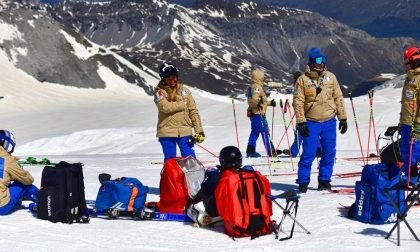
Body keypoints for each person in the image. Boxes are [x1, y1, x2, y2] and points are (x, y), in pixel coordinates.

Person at [293, 48, 347, 193]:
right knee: (309, 153)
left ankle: (324, 180)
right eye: (318, 61)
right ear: (311, 62)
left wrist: (342, 117)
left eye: (324, 60)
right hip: (311, 122)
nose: (322, 64)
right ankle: (303, 181)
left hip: (329, 121)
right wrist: (301, 121)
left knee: (329, 152)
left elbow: (338, 97)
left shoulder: (331, 77)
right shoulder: (303, 80)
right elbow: (298, 101)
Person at [154, 62, 204, 162]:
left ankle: (193, 177)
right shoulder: (159, 92)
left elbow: (193, 111)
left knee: (190, 159)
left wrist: (199, 131)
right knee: (170, 160)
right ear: (163, 79)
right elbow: (165, 107)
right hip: (167, 131)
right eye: (169, 78)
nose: (173, 80)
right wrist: (182, 104)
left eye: (174, 77)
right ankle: (170, 177)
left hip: (184, 130)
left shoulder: (185, 91)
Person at [0, 130, 39, 215]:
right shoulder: (7, 159)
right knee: (24, 184)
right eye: (11, 148)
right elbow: (28, 179)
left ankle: (18, 199)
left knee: (6, 183)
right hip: (2, 207)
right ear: (6, 144)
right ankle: (45, 201)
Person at [399, 46, 420, 185]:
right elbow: (406, 103)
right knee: (406, 151)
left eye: (406, 61)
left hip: (416, 124)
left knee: (414, 152)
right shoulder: (409, 79)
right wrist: (401, 123)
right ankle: (410, 178)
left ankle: (414, 180)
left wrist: (418, 126)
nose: (405, 64)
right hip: (407, 122)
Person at [246, 68, 278, 158]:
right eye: (263, 77)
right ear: (259, 77)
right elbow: (256, 99)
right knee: (265, 132)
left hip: (254, 113)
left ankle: (250, 151)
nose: (264, 79)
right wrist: (259, 105)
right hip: (258, 114)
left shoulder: (251, 87)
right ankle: (271, 151)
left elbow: (257, 101)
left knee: (254, 132)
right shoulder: (257, 87)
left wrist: (270, 103)